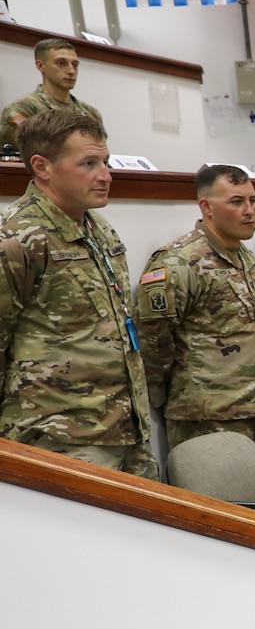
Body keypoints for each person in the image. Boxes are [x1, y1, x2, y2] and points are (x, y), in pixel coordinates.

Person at [0, 111, 154, 477]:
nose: (106, 175)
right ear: (42, 166)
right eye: (88, 163)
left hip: (127, 429)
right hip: (57, 439)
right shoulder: (15, 239)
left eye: (105, 161)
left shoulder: (99, 228)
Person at [136, 165, 255, 469]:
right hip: (208, 417)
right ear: (206, 206)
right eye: (236, 202)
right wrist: (170, 396)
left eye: (253, 201)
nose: (250, 211)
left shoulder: (247, 258)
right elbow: (152, 340)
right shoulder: (179, 262)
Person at [0, 39, 104, 150]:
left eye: (75, 65)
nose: (71, 71)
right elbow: (12, 160)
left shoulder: (90, 113)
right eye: (62, 63)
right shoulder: (23, 109)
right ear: (40, 66)